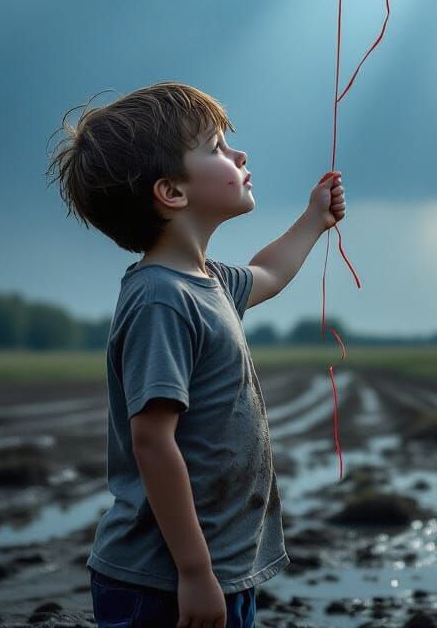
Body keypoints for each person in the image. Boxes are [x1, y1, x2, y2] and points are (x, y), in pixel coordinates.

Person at [46, 81, 345, 628]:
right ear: (172, 192)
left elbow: (271, 274)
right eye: (216, 148)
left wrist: (314, 219)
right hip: (161, 582)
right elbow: (153, 441)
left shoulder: (205, 282)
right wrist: (193, 572)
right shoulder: (162, 297)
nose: (240, 154)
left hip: (219, 569)